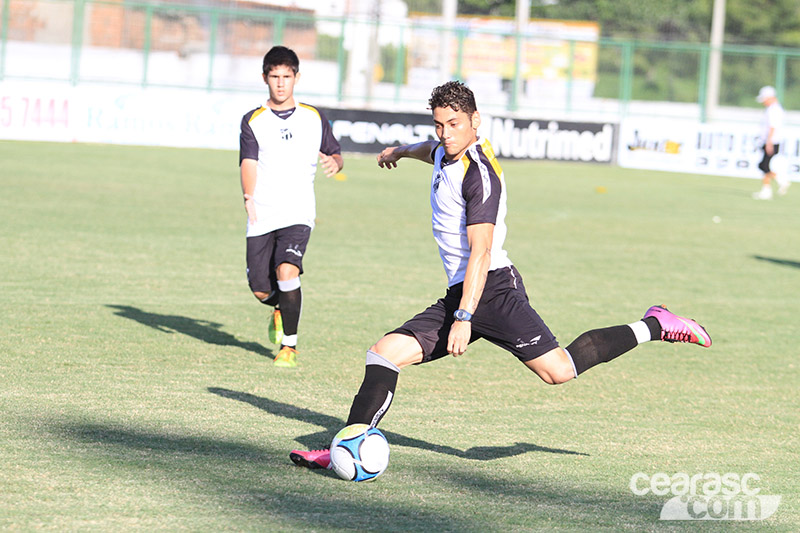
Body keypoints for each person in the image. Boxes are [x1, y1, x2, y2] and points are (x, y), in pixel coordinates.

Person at [289, 81, 711, 469]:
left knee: (559, 370)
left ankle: (655, 324)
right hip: (464, 292)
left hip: (492, 291)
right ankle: (344, 447)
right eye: (439, 125)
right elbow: (428, 149)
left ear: (475, 121)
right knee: (384, 353)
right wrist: (398, 151)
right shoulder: (442, 147)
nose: (445, 133)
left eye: (454, 124)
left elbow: (482, 251)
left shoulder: (480, 176)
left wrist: (463, 318)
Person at [239, 45, 343, 368]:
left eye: (287, 76)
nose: (281, 83)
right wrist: (248, 196)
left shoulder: (313, 117)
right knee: (260, 288)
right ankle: (280, 307)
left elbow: (335, 152)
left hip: (299, 212)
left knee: (288, 271)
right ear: (264, 78)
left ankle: (289, 346)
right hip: (263, 212)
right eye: (274, 77)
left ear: (296, 77)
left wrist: (335, 163)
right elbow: (248, 162)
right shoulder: (253, 121)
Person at [753, 85, 790, 200]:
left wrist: (769, 142)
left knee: (764, 165)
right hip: (769, 140)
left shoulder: (774, 109)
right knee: (764, 165)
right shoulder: (773, 108)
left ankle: (777, 183)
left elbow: (772, 127)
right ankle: (769, 188)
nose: (763, 102)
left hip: (772, 141)